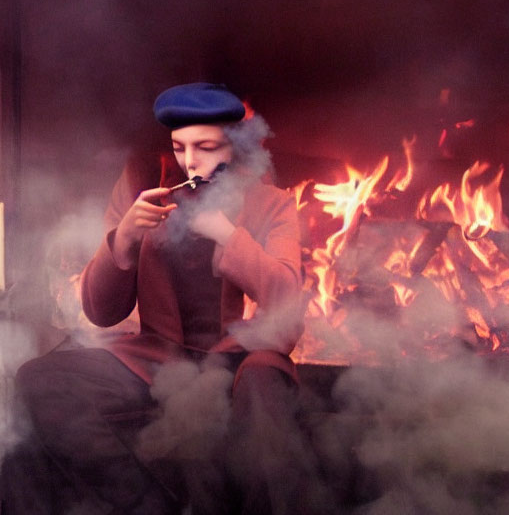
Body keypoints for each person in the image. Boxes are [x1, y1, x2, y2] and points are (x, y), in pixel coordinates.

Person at [0, 83, 315, 514]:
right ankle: (148, 504)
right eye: (179, 146)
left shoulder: (271, 204)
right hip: (158, 359)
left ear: (236, 145)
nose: (190, 160)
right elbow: (100, 310)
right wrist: (125, 237)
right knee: (41, 377)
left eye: (205, 146)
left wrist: (228, 235)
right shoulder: (141, 186)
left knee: (264, 394)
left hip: (244, 358)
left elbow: (287, 310)